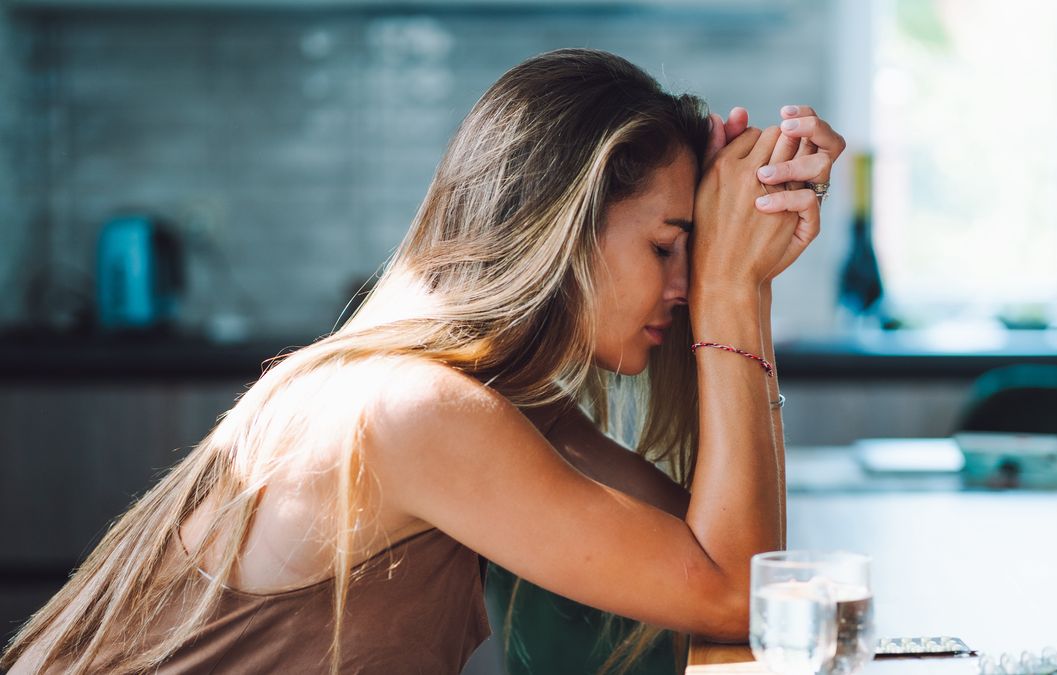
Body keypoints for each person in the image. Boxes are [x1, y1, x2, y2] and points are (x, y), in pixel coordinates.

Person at [1, 48, 844, 674]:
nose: (685, 286)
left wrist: (740, 268)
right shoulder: (416, 410)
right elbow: (736, 591)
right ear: (558, 229)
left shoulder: (490, 400)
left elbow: (733, 563)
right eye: (667, 245)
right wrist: (733, 288)